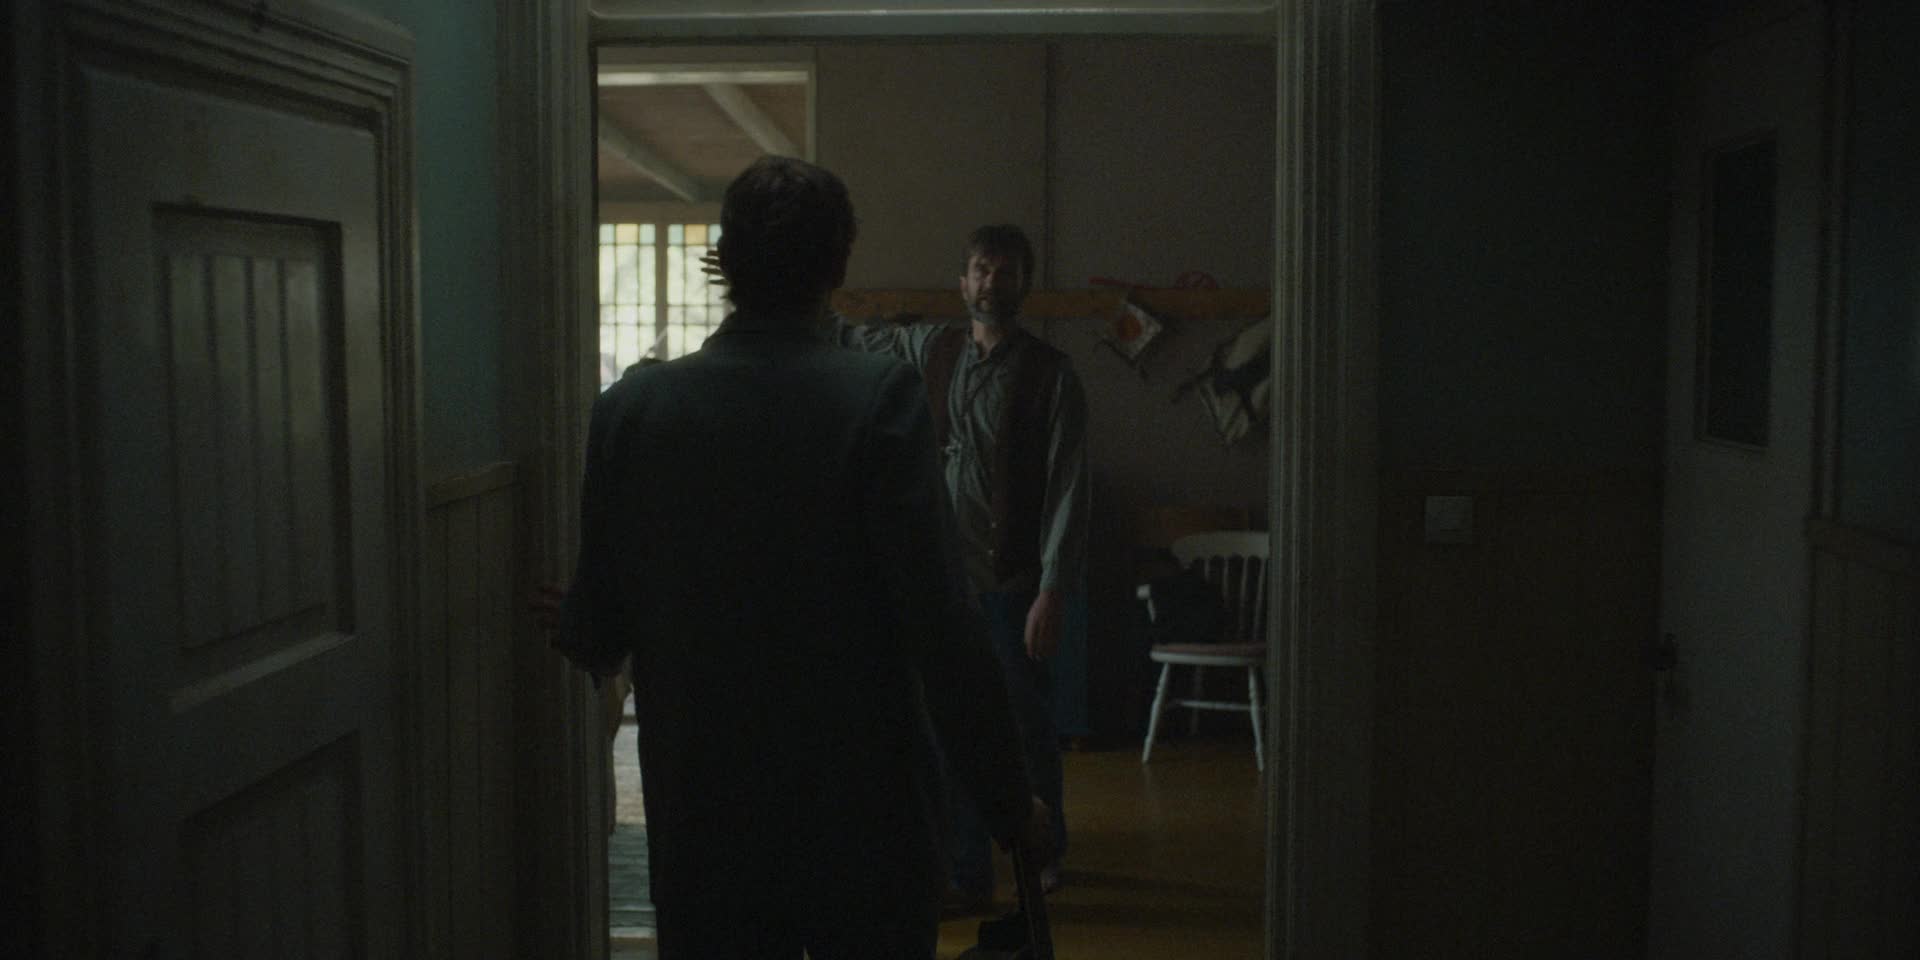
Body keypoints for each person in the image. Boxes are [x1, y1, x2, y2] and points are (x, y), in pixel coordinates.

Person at [547, 156, 1047, 958]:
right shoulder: (878, 397)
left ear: (723, 259)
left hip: (704, 813)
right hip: (864, 812)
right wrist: (1009, 803)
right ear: (838, 265)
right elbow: (942, 626)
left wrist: (576, 615)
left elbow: (596, 632)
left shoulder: (631, 410)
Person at [835, 224, 1089, 908]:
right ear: (962, 281)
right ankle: (963, 866)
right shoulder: (933, 348)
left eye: (1004, 272)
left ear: (1024, 284)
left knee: (1023, 724)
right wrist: (783, 294)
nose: (990, 282)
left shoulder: (1051, 375)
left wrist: (1052, 590)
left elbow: (1069, 487)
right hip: (941, 579)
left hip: (1011, 583)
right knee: (947, 727)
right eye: (980, 269)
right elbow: (850, 338)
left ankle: (1043, 851)